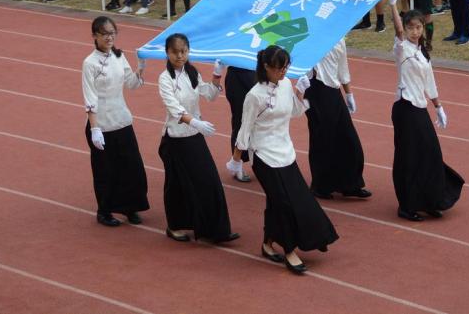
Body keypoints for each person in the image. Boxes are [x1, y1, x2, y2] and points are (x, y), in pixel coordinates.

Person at [229, 46, 338, 274]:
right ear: (266, 67)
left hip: (285, 152)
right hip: (264, 156)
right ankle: (289, 249)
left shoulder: (286, 84)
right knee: (284, 204)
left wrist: (300, 92)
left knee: (290, 201)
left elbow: (295, 112)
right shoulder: (254, 95)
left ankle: (268, 244)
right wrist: (237, 159)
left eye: (286, 67)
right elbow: (244, 128)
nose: (284, 72)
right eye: (280, 68)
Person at [158, 33, 239, 243]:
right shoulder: (165, 79)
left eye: (183, 51)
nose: (180, 56)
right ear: (167, 52)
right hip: (176, 138)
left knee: (208, 180)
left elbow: (210, 95)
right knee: (176, 183)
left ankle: (215, 230)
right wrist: (196, 122)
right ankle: (175, 226)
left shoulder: (191, 72)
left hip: (194, 136)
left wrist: (217, 74)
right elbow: (174, 109)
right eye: (175, 52)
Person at [389, 0, 464, 222]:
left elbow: (430, 83)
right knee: (409, 157)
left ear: (423, 28)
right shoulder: (402, 49)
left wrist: (438, 107)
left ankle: (431, 199)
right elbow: (398, 29)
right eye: (411, 27)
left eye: (418, 27)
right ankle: (407, 205)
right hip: (405, 108)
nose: (414, 31)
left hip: (419, 108)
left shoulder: (422, 53)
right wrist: (393, 4)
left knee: (431, 154)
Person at [82, 16, 149, 227]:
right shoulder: (89, 63)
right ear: (95, 36)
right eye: (105, 33)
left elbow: (131, 83)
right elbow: (90, 97)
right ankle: (105, 211)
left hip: (121, 120)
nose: (110, 37)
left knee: (132, 167)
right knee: (105, 171)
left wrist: (140, 67)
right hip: (101, 124)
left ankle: (130, 207)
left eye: (113, 33)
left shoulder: (119, 56)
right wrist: (95, 128)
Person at [305, 39, 370, 200]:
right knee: (323, 140)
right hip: (316, 90)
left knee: (348, 138)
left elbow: (343, 67)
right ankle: (320, 185)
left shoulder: (340, 39)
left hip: (334, 91)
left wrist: (348, 93)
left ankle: (350, 184)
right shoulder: (315, 35)